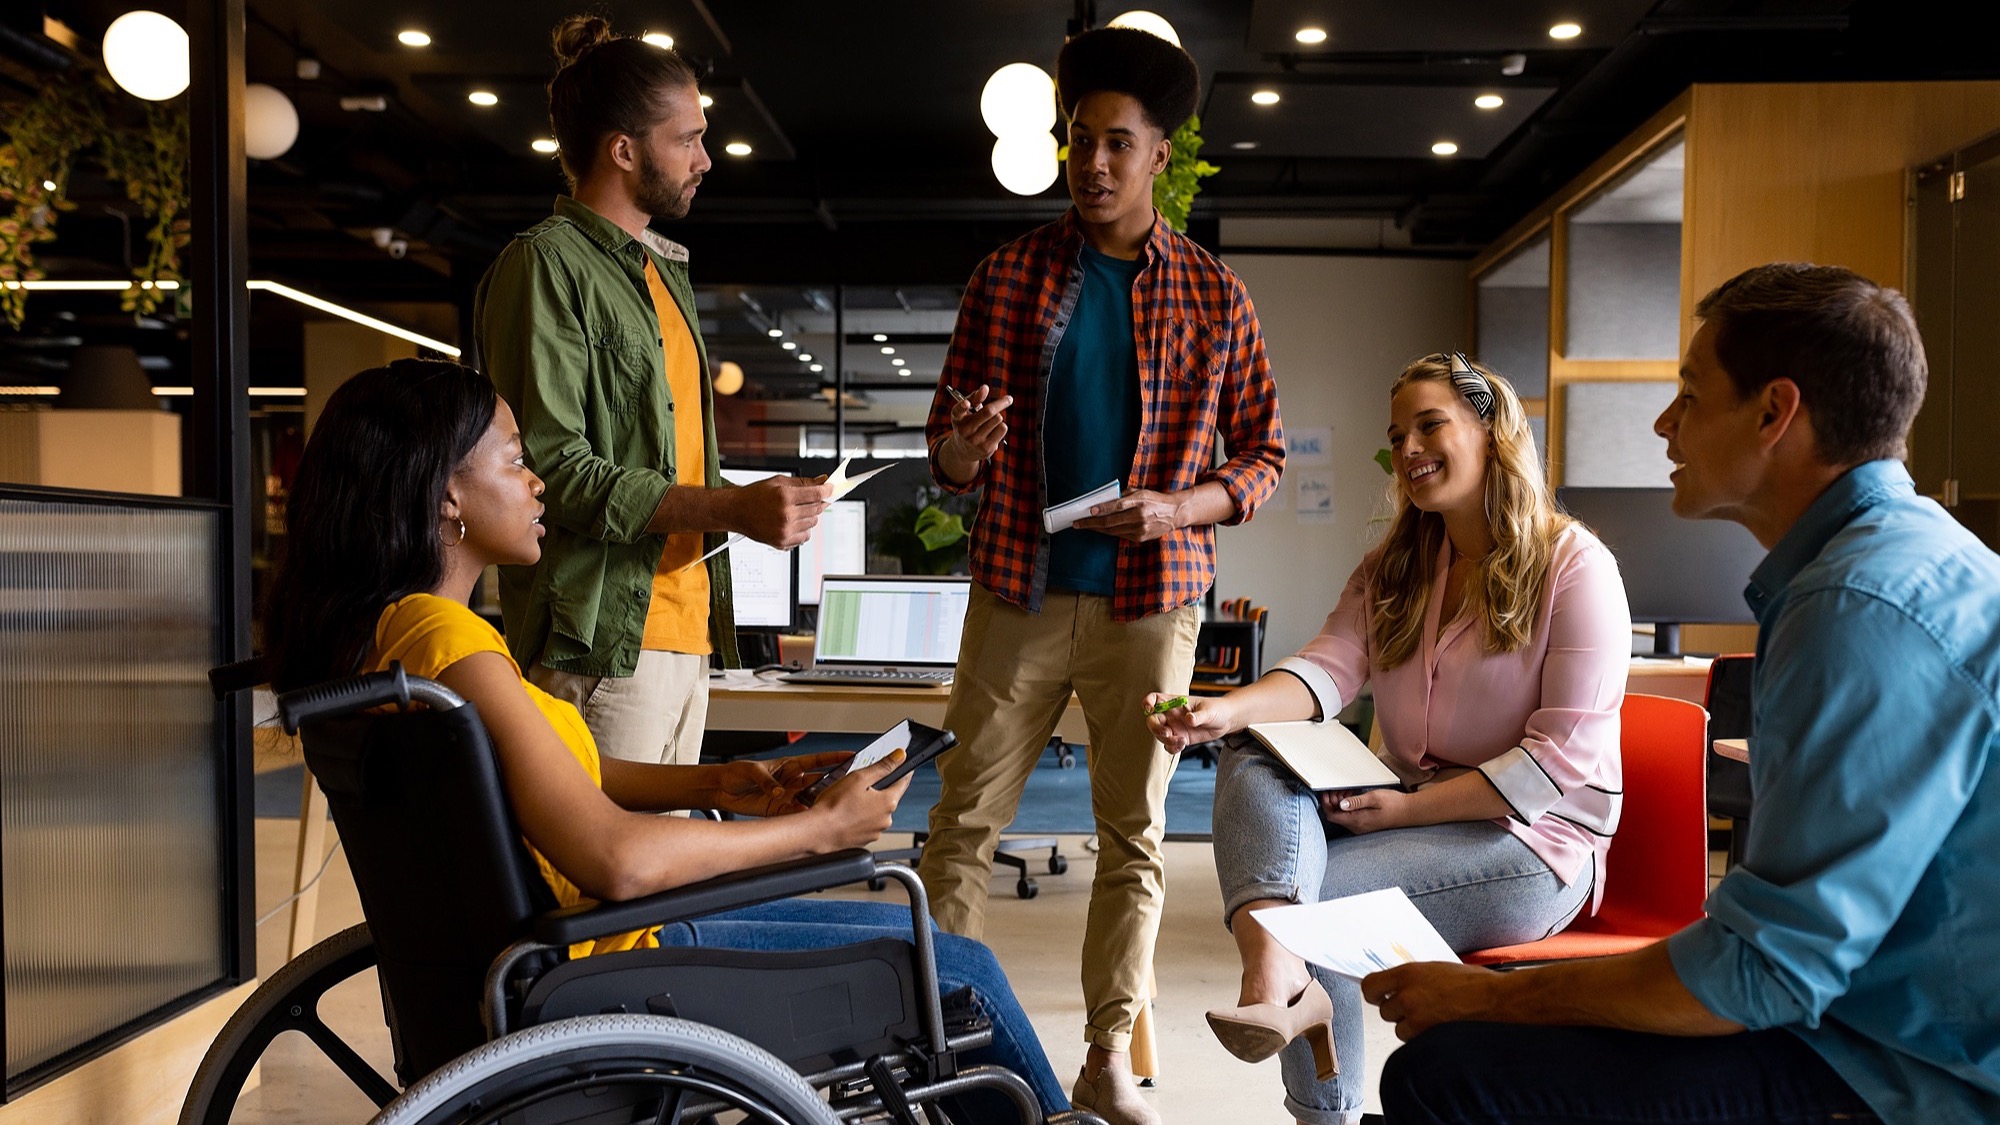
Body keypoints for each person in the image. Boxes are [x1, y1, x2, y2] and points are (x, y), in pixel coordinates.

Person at [261, 359, 1069, 1121]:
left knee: (935, 946)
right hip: (603, 970)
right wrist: (818, 832)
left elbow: (553, 778)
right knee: (961, 972)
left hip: (553, 954)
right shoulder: (451, 644)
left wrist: (723, 785)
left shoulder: (397, 639)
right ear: (446, 496)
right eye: (513, 460)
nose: (537, 481)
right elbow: (618, 859)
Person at [1360, 264, 2000, 1125]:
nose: (1665, 424)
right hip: (1877, 1023)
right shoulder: (1901, 559)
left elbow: (1760, 975)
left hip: (1904, 1073)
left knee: (1450, 1072)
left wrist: (1490, 996)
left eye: (1690, 395)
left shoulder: (1853, 607)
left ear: (1776, 413)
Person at [917, 25, 1286, 1124]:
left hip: (1152, 601)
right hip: (1015, 589)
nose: (1092, 164)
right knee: (959, 826)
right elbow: (944, 445)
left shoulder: (1216, 295)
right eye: (1079, 141)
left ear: (1158, 156)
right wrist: (960, 453)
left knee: (1131, 835)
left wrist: (1178, 505)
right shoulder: (1007, 275)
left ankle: (1105, 1059)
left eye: (1116, 144)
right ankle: (940, 1038)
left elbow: (1260, 457)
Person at [1148, 354, 1632, 1125]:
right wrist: (1226, 711)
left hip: (1533, 844)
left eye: (1429, 425)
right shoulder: (1396, 567)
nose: (1408, 448)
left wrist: (1402, 810)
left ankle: (1306, 1060)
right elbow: (1324, 672)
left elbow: (1557, 764)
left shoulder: (1577, 568)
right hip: (1410, 809)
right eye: (1397, 434)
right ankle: (1278, 982)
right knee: (1254, 747)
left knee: (1317, 904)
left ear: (1492, 430)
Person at [474, 15, 829, 769]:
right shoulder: (545, 266)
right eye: (688, 138)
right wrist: (732, 506)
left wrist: (747, 503)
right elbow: (553, 470)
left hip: (682, 630)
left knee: (660, 881)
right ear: (624, 150)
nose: (705, 159)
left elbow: (662, 465)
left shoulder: (660, 272)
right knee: (598, 880)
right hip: (599, 638)